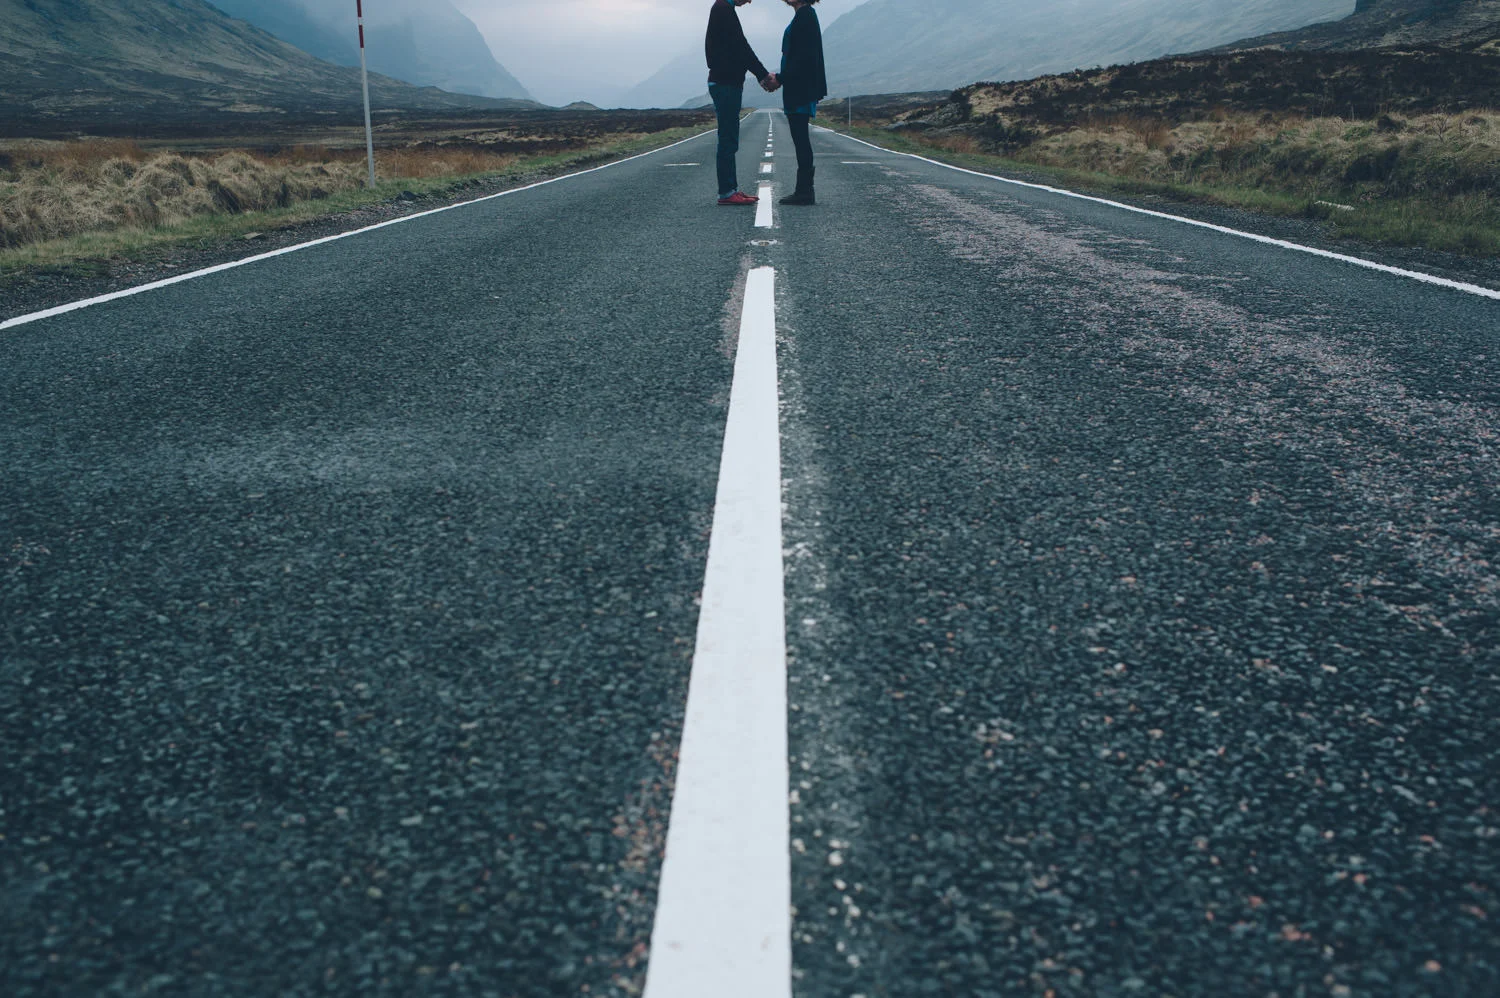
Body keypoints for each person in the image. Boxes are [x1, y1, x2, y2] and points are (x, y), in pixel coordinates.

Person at [706, 0, 781, 206]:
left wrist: (761, 75)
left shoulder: (723, 8)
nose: (749, 1)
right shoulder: (723, 9)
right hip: (725, 83)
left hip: (725, 81)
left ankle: (731, 189)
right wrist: (763, 75)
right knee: (728, 136)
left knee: (730, 136)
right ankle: (727, 192)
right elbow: (741, 47)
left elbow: (738, 47)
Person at [778, 0, 826, 206]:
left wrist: (780, 78)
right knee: (800, 139)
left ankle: (805, 191)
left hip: (800, 90)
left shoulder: (806, 16)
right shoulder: (804, 15)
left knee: (801, 139)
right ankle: (804, 190)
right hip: (798, 88)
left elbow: (801, 58)